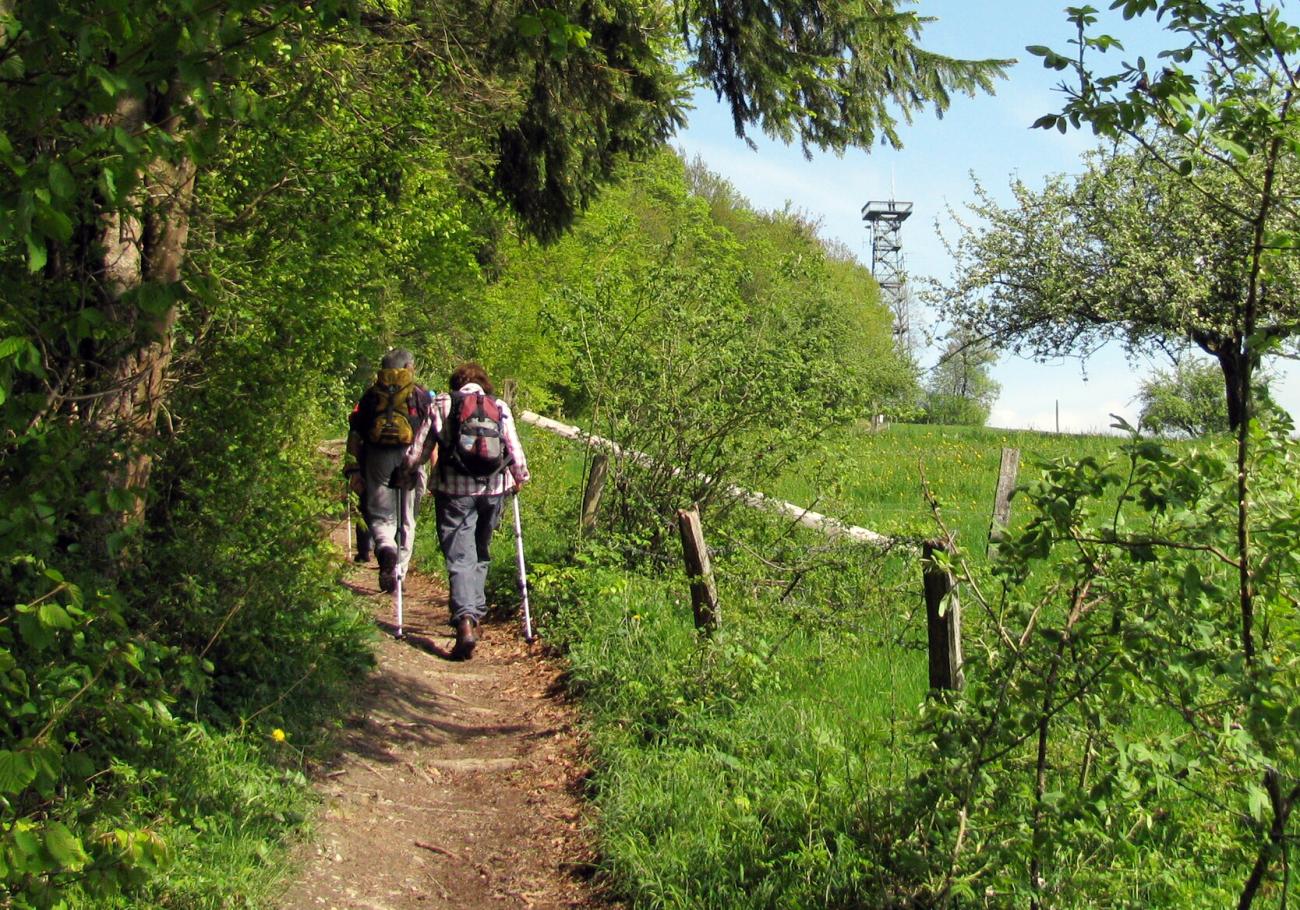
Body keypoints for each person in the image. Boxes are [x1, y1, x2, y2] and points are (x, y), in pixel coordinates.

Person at [404, 362, 529, 659]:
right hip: (493, 489)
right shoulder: (499, 406)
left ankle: (464, 620)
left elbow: (420, 449)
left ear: (456, 383)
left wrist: (405, 471)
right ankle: (475, 613)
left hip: (453, 491)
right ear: (484, 384)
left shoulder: (442, 403)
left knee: (460, 555)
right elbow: (514, 450)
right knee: (480, 551)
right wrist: (520, 478)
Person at [343, 349, 433, 593]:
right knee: (407, 518)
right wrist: (434, 470)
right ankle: (399, 572)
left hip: (377, 458)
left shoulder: (372, 396)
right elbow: (431, 434)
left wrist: (353, 469)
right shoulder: (420, 395)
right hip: (411, 458)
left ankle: (386, 552)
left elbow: (355, 434)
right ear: (408, 367)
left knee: (381, 515)